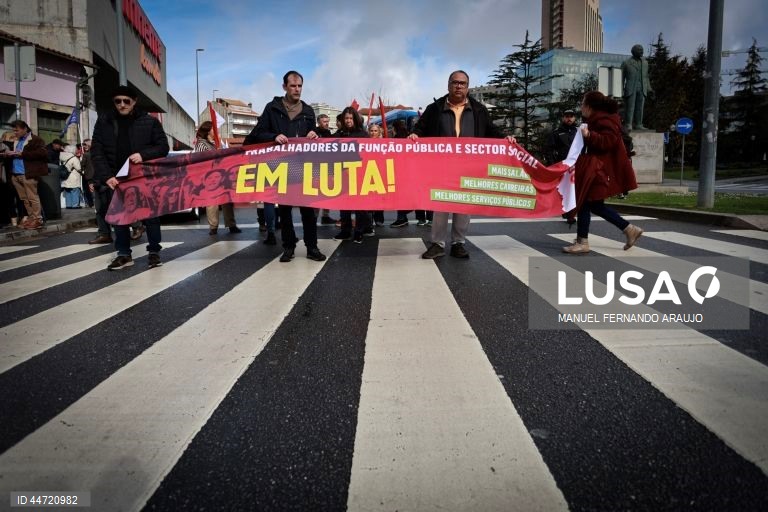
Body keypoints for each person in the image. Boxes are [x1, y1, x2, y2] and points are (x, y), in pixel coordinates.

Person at [413, 70, 514, 259]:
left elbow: (491, 130)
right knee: (441, 205)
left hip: (469, 167)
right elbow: (420, 127)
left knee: (463, 207)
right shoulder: (434, 108)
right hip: (441, 167)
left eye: (463, 83)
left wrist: (504, 138)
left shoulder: (478, 109)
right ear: (448, 84)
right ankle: (437, 244)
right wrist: (415, 135)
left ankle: (459, 243)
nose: (459, 86)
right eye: (455, 82)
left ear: (467, 87)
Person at [245, 70, 326, 262]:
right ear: (284, 87)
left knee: (308, 210)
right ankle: (288, 247)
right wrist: (273, 137)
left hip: (304, 167)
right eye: (293, 86)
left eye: (299, 86)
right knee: (285, 211)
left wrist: (315, 134)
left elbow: (314, 135)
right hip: (280, 167)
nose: (297, 90)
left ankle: (312, 247)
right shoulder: (271, 108)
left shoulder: (308, 111)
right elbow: (257, 134)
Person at [91, 85, 169, 270]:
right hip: (117, 178)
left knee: (151, 216)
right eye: (118, 101)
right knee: (121, 217)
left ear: (134, 102)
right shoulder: (104, 121)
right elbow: (97, 151)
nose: (122, 104)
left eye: (126, 101)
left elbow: (163, 147)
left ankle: (154, 252)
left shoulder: (149, 122)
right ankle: (124, 254)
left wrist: (143, 155)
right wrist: (107, 176)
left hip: (145, 177)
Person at [562, 91, 642, 254]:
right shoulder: (597, 119)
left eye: (583, 104)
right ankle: (628, 229)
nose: (581, 107)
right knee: (592, 204)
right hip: (596, 169)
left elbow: (607, 142)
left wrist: (589, 135)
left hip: (599, 170)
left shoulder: (605, 120)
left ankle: (583, 242)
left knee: (586, 202)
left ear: (590, 107)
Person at [333, 107, 373, 244]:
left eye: (350, 118)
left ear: (355, 119)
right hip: (342, 175)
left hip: (359, 175)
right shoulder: (338, 135)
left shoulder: (363, 135)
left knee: (360, 207)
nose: (348, 121)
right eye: (346, 118)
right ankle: (345, 230)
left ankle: (359, 231)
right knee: (344, 206)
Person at [194, 121, 242, 236]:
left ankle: (230, 224)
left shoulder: (211, 143)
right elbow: (204, 161)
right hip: (210, 177)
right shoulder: (201, 144)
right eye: (213, 129)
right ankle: (214, 226)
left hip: (220, 175)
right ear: (207, 131)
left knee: (226, 200)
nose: (216, 131)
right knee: (212, 202)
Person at [390, 119, 432, 228]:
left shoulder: (397, 139)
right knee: (421, 194)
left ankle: (403, 217)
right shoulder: (411, 137)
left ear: (394, 128)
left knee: (403, 196)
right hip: (417, 170)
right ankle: (426, 219)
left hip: (402, 171)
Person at [7, 120, 47, 230]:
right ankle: (31, 218)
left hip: (28, 173)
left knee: (32, 197)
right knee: (24, 198)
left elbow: (43, 153)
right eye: (13, 130)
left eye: (17, 130)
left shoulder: (35, 139)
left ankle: (38, 219)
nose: (15, 132)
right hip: (16, 173)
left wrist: (23, 154)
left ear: (25, 128)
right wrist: (9, 154)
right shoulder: (17, 140)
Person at [621, 44, 652, 131]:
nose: (642, 51)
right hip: (630, 88)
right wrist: (620, 90)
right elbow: (621, 78)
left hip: (642, 88)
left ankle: (639, 124)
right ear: (633, 51)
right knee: (630, 107)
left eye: (642, 50)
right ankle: (628, 124)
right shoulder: (626, 63)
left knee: (640, 107)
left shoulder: (645, 63)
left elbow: (646, 77)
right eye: (639, 50)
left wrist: (649, 88)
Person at [315, 113, 338, 225]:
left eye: (328, 121)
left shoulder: (328, 133)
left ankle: (325, 216)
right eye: (324, 121)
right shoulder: (314, 132)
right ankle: (314, 217)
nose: (327, 123)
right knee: (316, 193)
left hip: (328, 166)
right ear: (319, 122)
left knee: (326, 192)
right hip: (316, 167)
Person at [367, 124, 386, 226]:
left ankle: (379, 218)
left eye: (375, 131)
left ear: (379, 132)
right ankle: (369, 220)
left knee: (379, 198)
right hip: (367, 175)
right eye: (371, 130)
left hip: (380, 174)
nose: (373, 133)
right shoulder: (364, 143)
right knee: (368, 199)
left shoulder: (384, 144)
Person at [59, 144, 83, 208]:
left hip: (65, 177)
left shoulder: (62, 157)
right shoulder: (74, 158)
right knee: (75, 191)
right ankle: (75, 205)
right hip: (73, 177)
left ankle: (68, 205)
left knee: (67, 191)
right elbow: (78, 168)